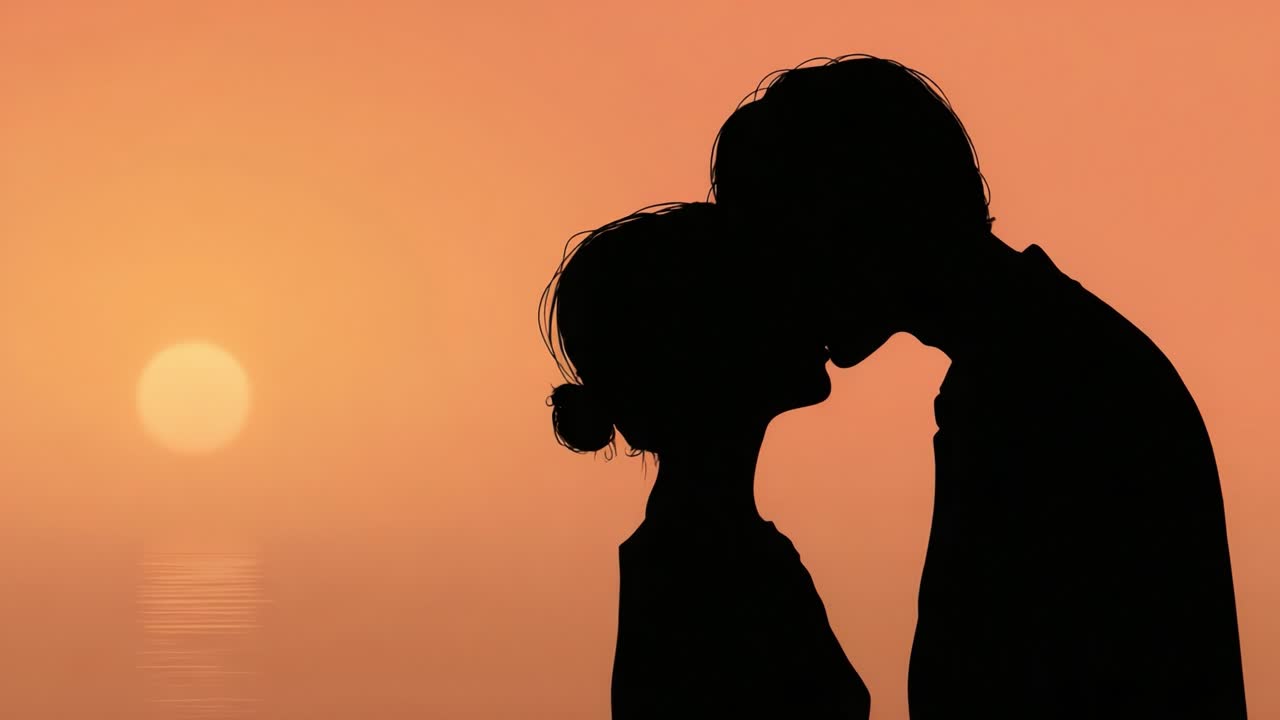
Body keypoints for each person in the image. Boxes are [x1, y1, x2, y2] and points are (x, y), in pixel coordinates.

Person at [711, 55, 1246, 719]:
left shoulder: (1038, 388)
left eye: (782, 244)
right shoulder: (1049, 358)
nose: (777, 288)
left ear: (861, 217)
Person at [541, 202, 871, 719]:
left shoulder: (704, 542)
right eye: (771, 291)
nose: (810, 305)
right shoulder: (709, 562)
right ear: (714, 342)